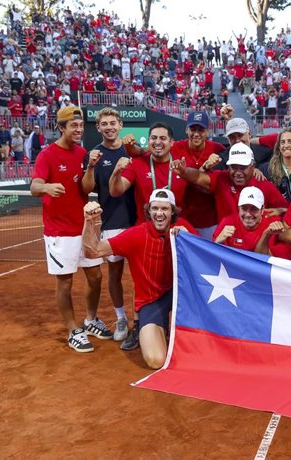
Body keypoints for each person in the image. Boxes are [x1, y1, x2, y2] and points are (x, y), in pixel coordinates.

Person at [82, 189, 197, 369]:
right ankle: (155, 327)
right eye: (155, 208)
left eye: (165, 209)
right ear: (149, 211)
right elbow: (92, 251)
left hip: (180, 296)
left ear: (173, 211)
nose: (159, 213)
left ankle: (171, 327)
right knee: (155, 360)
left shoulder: (183, 227)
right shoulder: (136, 235)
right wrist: (90, 222)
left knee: (197, 349)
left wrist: (189, 240)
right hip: (152, 300)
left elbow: (205, 259)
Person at [30, 105, 113, 353]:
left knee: (96, 276)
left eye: (80, 125)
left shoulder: (83, 153)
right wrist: (46, 188)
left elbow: (87, 188)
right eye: (73, 126)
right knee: (65, 282)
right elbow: (34, 187)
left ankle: (90, 320)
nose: (78, 129)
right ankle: (72, 330)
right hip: (59, 232)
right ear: (61, 128)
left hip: (84, 227)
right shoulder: (46, 155)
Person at [81, 107, 137, 347]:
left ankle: (142, 319)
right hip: (112, 223)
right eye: (104, 124)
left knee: (141, 274)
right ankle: (121, 318)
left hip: (137, 221)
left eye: (113, 122)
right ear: (98, 128)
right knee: (114, 274)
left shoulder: (130, 151)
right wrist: (91, 166)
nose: (109, 127)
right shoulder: (94, 155)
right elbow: (86, 189)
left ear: (120, 125)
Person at [171, 142, 288, 223]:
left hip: (254, 247)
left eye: (243, 167)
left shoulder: (263, 184)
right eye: (234, 167)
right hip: (226, 243)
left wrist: (280, 211)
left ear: (252, 166)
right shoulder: (222, 178)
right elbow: (198, 177)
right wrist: (183, 171)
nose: (238, 172)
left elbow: (288, 211)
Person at [110, 123, 189, 222]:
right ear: (148, 141)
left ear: (171, 142)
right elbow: (115, 191)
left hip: (176, 230)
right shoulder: (137, 162)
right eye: (153, 138)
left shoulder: (182, 164)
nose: (157, 142)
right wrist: (117, 172)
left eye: (163, 138)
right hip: (145, 229)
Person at [169, 110, 225, 240]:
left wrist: (255, 167)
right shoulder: (176, 147)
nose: (196, 134)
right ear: (186, 130)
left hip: (209, 219)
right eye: (193, 129)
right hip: (183, 218)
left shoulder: (217, 148)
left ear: (207, 132)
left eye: (201, 130)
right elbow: (154, 150)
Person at [213, 186, 284, 253]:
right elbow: (211, 255)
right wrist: (217, 242)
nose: (248, 214)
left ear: (262, 209)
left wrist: (284, 210)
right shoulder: (227, 222)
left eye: (254, 209)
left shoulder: (274, 224)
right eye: (244, 208)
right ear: (239, 208)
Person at [262, 127, 291, 203]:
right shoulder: (266, 169)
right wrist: (255, 170)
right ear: (279, 147)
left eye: (290, 142)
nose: (286, 145)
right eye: (282, 142)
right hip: (276, 213)